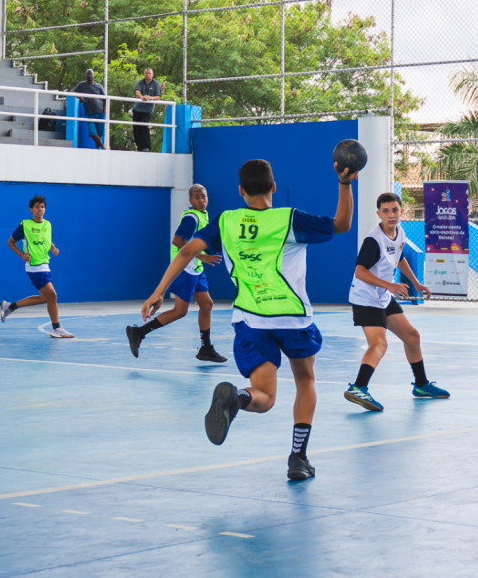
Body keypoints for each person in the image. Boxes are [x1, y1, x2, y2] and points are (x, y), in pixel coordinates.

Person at [140, 158, 356, 481]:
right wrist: (344, 182)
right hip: (293, 319)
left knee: (264, 396)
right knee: (305, 381)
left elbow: (185, 252)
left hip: (252, 321)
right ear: (273, 187)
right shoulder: (289, 219)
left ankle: (238, 398)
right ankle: (297, 457)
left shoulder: (226, 221)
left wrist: (159, 291)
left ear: (240, 191)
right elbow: (341, 224)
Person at [344, 192, 449, 412]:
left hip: (383, 296)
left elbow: (398, 259)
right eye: (386, 211)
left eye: (395, 210)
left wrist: (416, 283)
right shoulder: (373, 240)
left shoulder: (399, 232)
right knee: (379, 344)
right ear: (378, 214)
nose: (391, 215)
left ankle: (421, 385)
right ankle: (359, 387)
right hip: (366, 298)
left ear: (401, 211)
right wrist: (389, 285)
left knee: (412, 336)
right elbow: (360, 271)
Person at [126, 184, 227, 363]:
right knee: (180, 311)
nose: (201, 201)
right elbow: (178, 241)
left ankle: (206, 348)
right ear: (190, 200)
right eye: (197, 198)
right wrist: (201, 256)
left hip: (195, 268)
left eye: (203, 196)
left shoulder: (203, 215)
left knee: (207, 304)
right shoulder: (191, 218)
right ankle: (138, 333)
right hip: (185, 268)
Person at [1, 195, 73, 338]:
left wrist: (53, 248)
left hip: (45, 264)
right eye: (37, 207)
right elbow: (10, 242)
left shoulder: (48, 224)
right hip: (34, 266)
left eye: (42, 207)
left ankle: (10, 306)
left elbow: (47, 240)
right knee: (52, 295)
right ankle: (56, 328)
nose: (40, 209)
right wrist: (22, 255)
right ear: (31, 209)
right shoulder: (25, 225)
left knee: (46, 298)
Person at [71, 69, 106, 149]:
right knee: (92, 132)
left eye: (91, 74)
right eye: (88, 74)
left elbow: (105, 98)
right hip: (90, 113)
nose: (90, 75)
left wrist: (104, 110)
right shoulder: (82, 85)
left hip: (100, 112)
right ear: (85, 75)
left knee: (99, 133)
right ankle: (103, 147)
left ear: (93, 75)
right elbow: (73, 92)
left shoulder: (99, 86)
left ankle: (97, 150)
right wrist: (80, 97)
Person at [132, 67, 162, 152]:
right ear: (144, 74)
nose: (148, 75)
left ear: (152, 74)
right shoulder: (140, 82)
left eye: (149, 73)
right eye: (146, 73)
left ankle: (147, 147)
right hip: (137, 108)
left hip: (147, 110)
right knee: (136, 128)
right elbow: (137, 91)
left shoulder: (156, 84)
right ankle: (139, 147)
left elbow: (158, 97)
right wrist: (142, 97)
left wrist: (150, 98)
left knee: (144, 126)